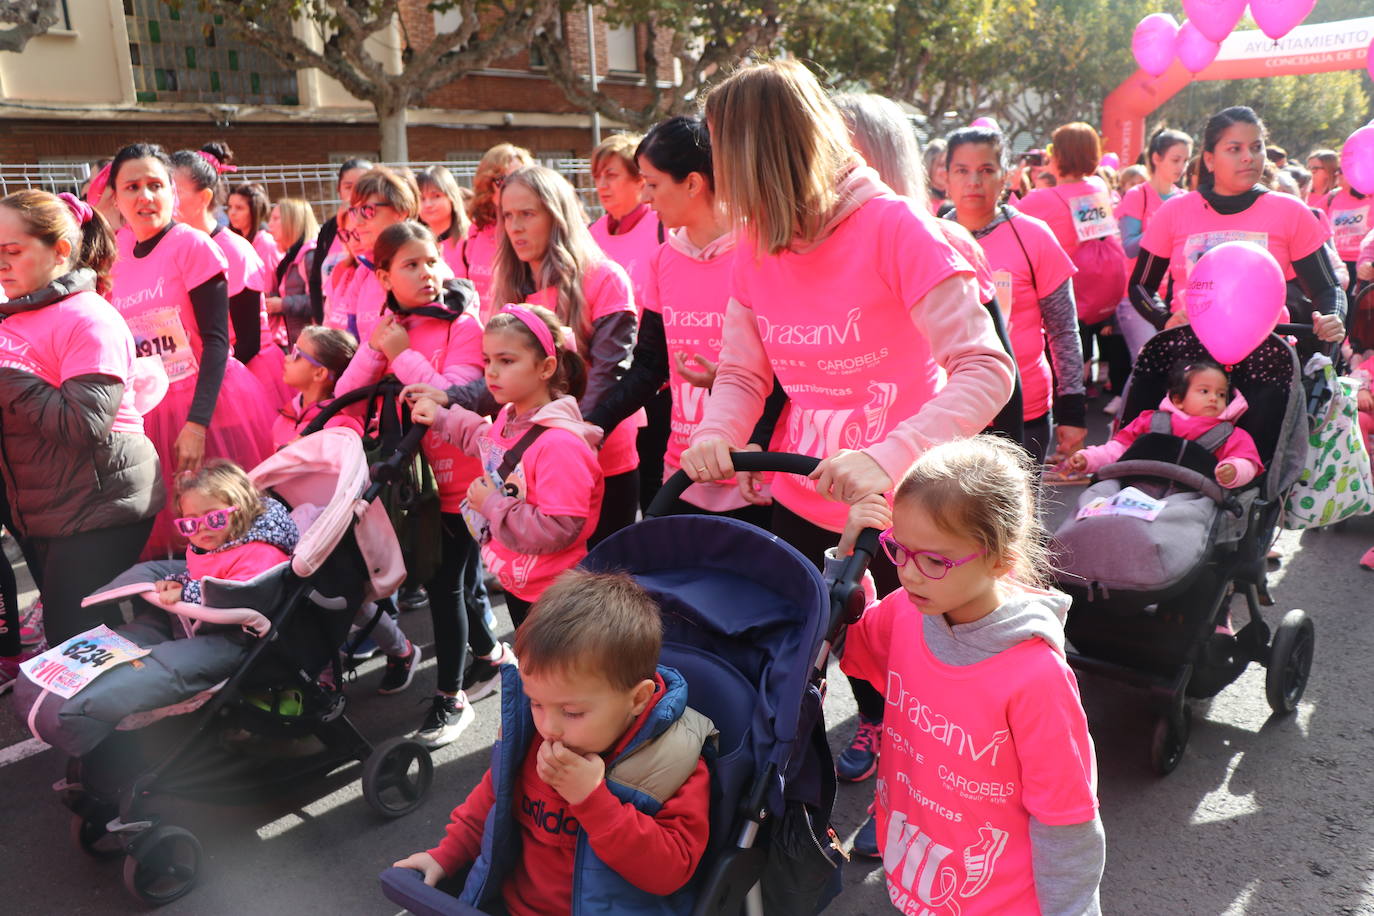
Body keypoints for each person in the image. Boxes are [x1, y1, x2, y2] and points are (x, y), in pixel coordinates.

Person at [681, 60, 1013, 562]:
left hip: (903, 513)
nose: (715, 174)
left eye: (718, 151)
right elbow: (743, 374)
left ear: (753, 155)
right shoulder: (754, 243)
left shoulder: (896, 228)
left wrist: (890, 457)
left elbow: (985, 369)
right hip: (798, 501)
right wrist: (717, 432)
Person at [834, 435, 1103, 913]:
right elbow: (849, 647)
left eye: (935, 560)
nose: (910, 574)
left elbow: (1065, 819)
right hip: (918, 871)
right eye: (901, 550)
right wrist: (845, 561)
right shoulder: (904, 613)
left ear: (1001, 559)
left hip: (1002, 900)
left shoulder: (1036, 677)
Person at [390, 569, 712, 915]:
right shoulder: (533, 739)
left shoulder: (674, 764)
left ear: (637, 700)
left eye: (572, 712)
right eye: (536, 702)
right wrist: (446, 855)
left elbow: (669, 873)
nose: (549, 727)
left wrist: (593, 801)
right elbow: (491, 801)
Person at [336, 220, 505, 746]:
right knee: (450, 582)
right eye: (411, 264)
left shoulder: (462, 325)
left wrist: (402, 352)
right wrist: (376, 348)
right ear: (384, 275)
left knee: (444, 585)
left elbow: (452, 395)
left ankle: (450, 698)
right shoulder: (388, 328)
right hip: (413, 492)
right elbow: (346, 394)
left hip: (465, 487)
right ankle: (489, 654)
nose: (427, 272)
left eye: (432, 260)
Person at [584, 115, 779, 526]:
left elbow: (788, 370)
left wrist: (755, 438)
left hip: (751, 477)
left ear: (693, 183)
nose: (646, 198)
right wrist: (594, 424)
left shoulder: (761, 254)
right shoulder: (663, 259)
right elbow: (650, 365)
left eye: (652, 184)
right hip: (682, 472)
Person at [0, 189, 162, 654]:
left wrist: (6, 377)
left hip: (103, 503)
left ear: (61, 250)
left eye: (13, 252)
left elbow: (82, 424)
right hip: (46, 506)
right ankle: (126, 720)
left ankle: (134, 721)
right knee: (93, 634)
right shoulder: (15, 317)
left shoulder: (90, 319)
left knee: (72, 635)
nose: (2, 265)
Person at [106, 142, 275, 559]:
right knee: (179, 538)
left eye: (155, 185)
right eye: (132, 187)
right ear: (116, 198)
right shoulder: (115, 254)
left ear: (172, 192)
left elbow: (219, 341)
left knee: (236, 530)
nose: (145, 196)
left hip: (212, 408)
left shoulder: (192, 246)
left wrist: (197, 424)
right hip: (153, 416)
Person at [409, 303, 604, 627]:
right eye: (487, 360)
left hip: (554, 596)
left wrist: (492, 505)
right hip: (521, 582)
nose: (491, 372)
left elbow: (559, 527)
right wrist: (442, 417)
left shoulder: (560, 445)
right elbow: (490, 444)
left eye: (506, 361)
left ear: (546, 368)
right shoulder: (511, 417)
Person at [490, 165, 640, 544]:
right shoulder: (512, 289)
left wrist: (564, 444)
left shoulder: (605, 278)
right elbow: (498, 374)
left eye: (528, 213)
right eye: (508, 215)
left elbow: (610, 375)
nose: (515, 227)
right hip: (530, 467)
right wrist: (448, 402)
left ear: (556, 216)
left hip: (600, 462)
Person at [1129, 107, 1347, 347]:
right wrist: (1164, 319)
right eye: (1235, 149)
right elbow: (1141, 285)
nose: (1248, 157)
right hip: (1190, 358)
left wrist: (1333, 317)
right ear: (1210, 160)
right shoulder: (1173, 211)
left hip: (1267, 358)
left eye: (1256, 147)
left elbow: (1327, 288)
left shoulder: (1292, 212)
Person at [944, 125, 1086, 463]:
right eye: (962, 171)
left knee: (1018, 513)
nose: (973, 182)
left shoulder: (1033, 236)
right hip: (947, 412)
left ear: (1005, 177)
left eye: (986, 170)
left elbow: (1064, 329)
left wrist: (1073, 410)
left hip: (1025, 410)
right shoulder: (927, 238)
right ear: (946, 178)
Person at [1019, 122, 1130, 416]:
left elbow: (1007, 221)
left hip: (1063, 288)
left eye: (1052, 149)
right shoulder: (1098, 187)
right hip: (1097, 287)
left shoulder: (1040, 199)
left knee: (1058, 352)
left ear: (1061, 154)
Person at [587, 133, 670, 511]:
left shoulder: (662, 225)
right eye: (597, 176)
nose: (601, 185)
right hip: (610, 378)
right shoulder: (590, 235)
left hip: (655, 379)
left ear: (641, 180)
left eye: (611, 175)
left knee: (653, 482)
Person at [169, 148, 287, 406]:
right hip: (200, 376)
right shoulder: (175, 246)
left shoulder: (234, 250)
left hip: (243, 375)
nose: (166, 199)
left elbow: (249, 340)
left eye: (176, 191)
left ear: (204, 197)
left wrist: (207, 384)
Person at [1066, 357, 1263, 487]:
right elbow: (1119, 450)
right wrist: (1090, 459)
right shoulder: (1150, 421)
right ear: (1178, 400)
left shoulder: (1230, 435)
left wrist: (1234, 470)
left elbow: (1247, 462)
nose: (1214, 398)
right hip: (1136, 487)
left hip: (1192, 497)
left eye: (1221, 394)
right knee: (1100, 493)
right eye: (1204, 391)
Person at [1115, 128, 1192, 359]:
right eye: (1175, 160)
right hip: (1138, 296)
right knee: (1147, 362)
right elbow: (1128, 247)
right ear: (1156, 158)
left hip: (1175, 299)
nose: (1181, 167)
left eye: (1186, 161)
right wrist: (1161, 228)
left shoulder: (1185, 199)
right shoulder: (1138, 195)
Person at [461, 143, 534, 315]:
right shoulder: (477, 231)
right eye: (503, 181)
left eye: (519, 180)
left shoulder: (532, 231)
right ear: (487, 184)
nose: (511, 188)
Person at [272, 325, 363, 449]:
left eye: (296, 354)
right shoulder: (287, 415)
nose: (287, 358)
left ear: (320, 373)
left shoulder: (341, 430)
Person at [308, 157, 374, 326]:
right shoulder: (329, 229)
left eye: (363, 186)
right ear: (339, 190)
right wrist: (321, 319)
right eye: (348, 186)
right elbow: (315, 279)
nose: (355, 193)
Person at [264, 197, 319, 346]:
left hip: (314, 345)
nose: (269, 224)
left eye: (276, 219)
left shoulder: (310, 256)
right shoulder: (291, 258)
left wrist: (282, 304)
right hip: (300, 342)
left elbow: (321, 301)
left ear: (292, 222)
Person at [417, 165, 472, 279]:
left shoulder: (470, 239)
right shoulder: (413, 244)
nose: (428, 204)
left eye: (436, 196)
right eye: (422, 199)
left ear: (452, 198)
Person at [225, 176, 279, 280]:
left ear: (255, 211)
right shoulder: (235, 239)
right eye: (230, 207)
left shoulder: (265, 243)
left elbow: (267, 286)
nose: (232, 213)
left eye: (239, 208)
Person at [924, 136, 950, 214]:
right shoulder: (922, 203)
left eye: (949, 165)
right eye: (941, 165)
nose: (947, 170)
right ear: (929, 166)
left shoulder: (958, 200)